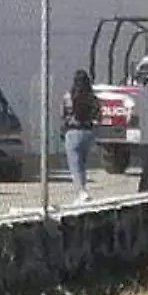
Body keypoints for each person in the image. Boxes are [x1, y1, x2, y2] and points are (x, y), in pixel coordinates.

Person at [61, 70, 100, 204]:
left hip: (72, 132)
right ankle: (82, 191)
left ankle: (81, 192)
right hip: (88, 133)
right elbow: (97, 114)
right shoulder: (92, 97)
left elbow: (64, 114)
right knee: (82, 164)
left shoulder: (68, 97)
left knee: (74, 165)